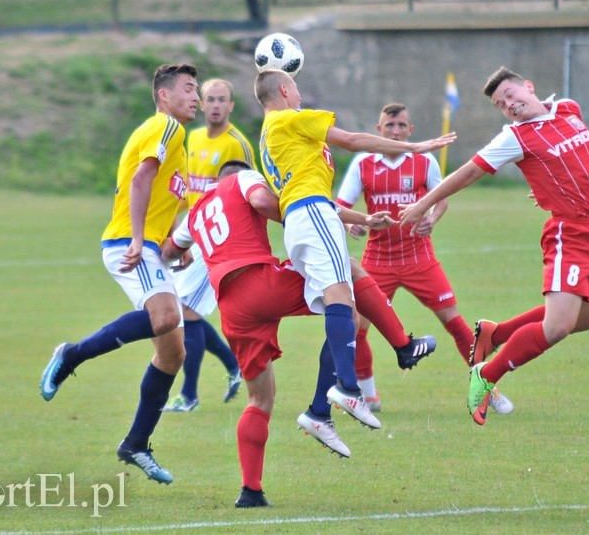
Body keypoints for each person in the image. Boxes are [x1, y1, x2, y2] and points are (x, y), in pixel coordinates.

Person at [160, 160, 436, 507]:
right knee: (346, 282)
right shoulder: (245, 180)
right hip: (258, 280)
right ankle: (398, 350)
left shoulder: (196, 212)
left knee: (259, 399)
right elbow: (267, 202)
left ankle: (251, 491)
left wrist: (170, 258)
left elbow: (170, 251)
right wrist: (301, 221)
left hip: (232, 306)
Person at [399, 67, 589, 426]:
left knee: (584, 321)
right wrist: (423, 203)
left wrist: (549, 183)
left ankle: (494, 334)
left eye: (511, 95)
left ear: (529, 87)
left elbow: (572, 158)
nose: (509, 105)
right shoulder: (515, 136)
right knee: (558, 326)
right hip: (569, 233)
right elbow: (467, 172)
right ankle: (487, 375)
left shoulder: (569, 109)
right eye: (501, 104)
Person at [253, 69, 455, 428]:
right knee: (341, 299)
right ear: (284, 90)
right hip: (313, 214)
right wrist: (413, 146)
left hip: (304, 217)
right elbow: (352, 139)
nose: (299, 95)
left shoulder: (268, 134)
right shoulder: (290, 117)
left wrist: (360, 216)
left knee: (350, 292)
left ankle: (321, 409)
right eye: (296, 87)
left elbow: (302, 186)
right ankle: (349, 388)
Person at [39, 63, 200, 483]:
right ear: (164, 96)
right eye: (188, 89)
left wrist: (168, 252)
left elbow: (160, 195)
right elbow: (141, 179)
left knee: (173, 353)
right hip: (130, 244)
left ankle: (136, 444)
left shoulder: (179, 147)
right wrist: (139, 240)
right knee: (165, 317)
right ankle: (70, 355)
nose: (196, 97)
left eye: (197, 89)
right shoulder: (166, 128)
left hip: (147, 247)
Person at [336, 103, 513, 415]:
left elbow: (441, 198)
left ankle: (489, 388)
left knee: (455, 324)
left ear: (410, 130)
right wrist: (354, 223)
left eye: (401, 126)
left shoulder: (424, 160)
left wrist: (433, 217)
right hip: (377, 260)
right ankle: (367, 395)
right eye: (389, 126)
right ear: (379, 131)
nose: (395, 131)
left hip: (419, 257)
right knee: (357, 327)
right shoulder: (363, 163)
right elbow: (341, 205)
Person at [164, 78, 257, 412]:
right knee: (181, 312)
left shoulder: (238, 145)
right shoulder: (193, 137)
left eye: (223, 100)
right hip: (192, 231)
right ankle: (233, 366)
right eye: (210, 99)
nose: (216, 105)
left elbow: (251, 192)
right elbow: (186, 187)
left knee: (184, 313)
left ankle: (189, 396)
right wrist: (177, 227)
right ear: (201, 104)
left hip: (216, 236)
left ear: (231, 105)